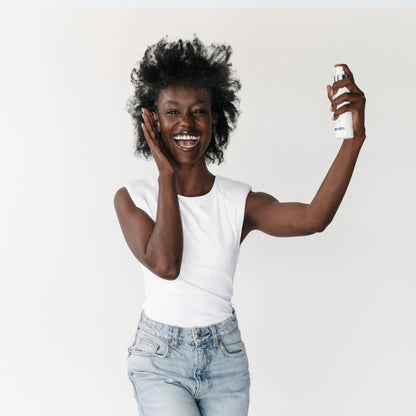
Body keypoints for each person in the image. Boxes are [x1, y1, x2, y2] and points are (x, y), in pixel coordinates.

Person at [113, 36, 366, 416]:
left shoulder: (238, 202)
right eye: (172, 112)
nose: (186, 122)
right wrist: (167, 174)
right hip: (159, 360)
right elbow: (166, 265)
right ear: (152, 119)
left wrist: (354, 141)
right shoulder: (132, 198)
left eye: (198, 111)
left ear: (215, 119)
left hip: (224, 358)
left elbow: (313, 219)